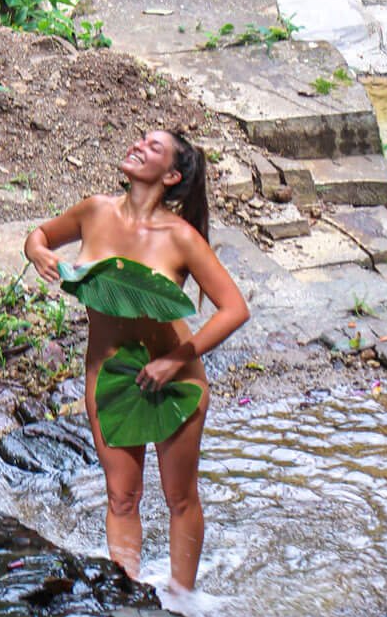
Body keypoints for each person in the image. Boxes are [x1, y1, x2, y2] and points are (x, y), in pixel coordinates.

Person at [23, 129, 249, 592]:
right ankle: (129, 601)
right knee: (122, 496)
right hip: (108, 375)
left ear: (171, 175)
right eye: (140, 140)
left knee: (179, 497)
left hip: (173, 378)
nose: (138, 146)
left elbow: (234, 309)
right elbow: (41, 234)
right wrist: (38, 251)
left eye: (153, 147)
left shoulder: (181, 237)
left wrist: (175, 361)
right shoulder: (95, 211)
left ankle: (183, 606)